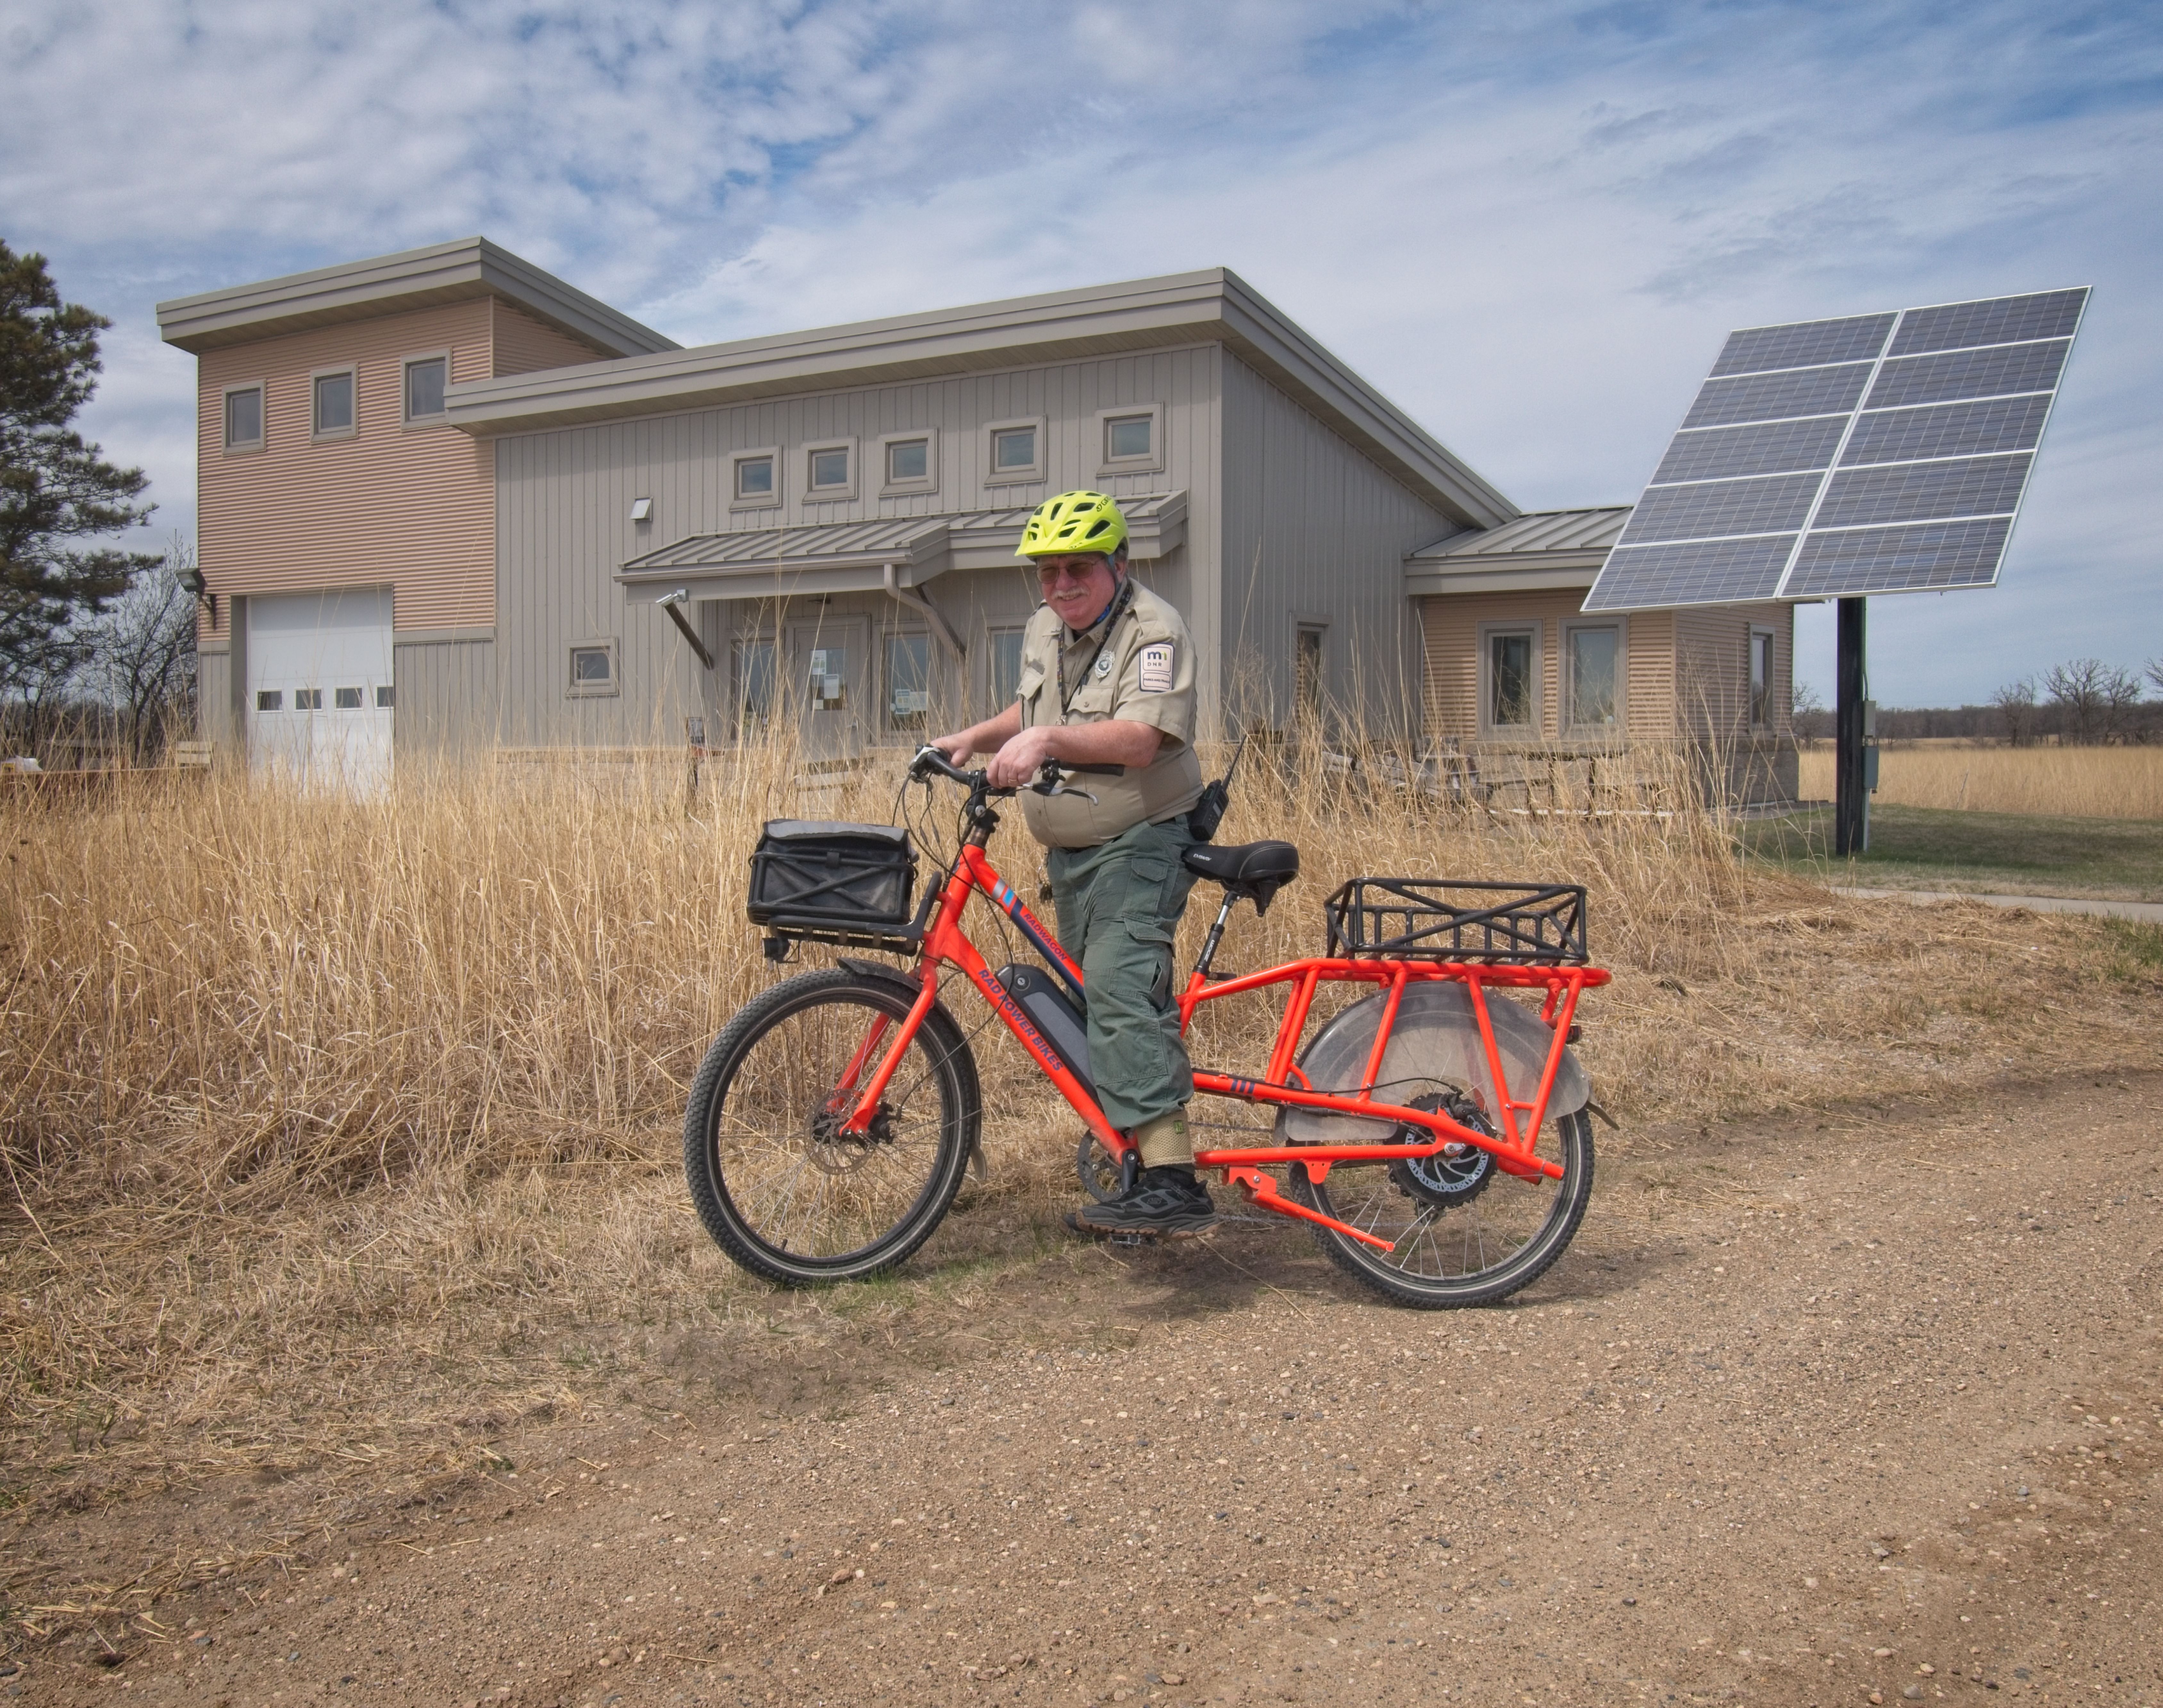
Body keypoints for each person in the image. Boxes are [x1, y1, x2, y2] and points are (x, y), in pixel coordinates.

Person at [929, 490, 1215, 1236]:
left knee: (1119, 988)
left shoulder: (1155, 631)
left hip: (1142, 840)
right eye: (1048, 571)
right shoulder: (1044, 627)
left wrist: (1048, 742)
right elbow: (1034, 712)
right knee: (1095, 1000)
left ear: (1118, 563)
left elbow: (1140, 739)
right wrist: (973, 738)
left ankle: (1174, 1181)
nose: (1061, 585)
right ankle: (1134, 1161)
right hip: (1074, 854)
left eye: (1078, 568)